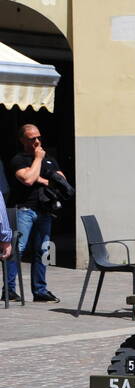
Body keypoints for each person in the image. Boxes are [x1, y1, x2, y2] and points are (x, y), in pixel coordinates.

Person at [6, 123, 66, 302]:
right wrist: (39, 161)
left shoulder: (50, 159)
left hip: (45, 211)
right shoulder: (19, 159)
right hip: (25, 210)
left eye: (39, 137)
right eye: (32, 139)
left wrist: (42, 176)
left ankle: (40, 290)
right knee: (18, 249)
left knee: (43, 250)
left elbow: (62, 181)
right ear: (23, 140)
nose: (37, 141)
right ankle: (8, 290)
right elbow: (28, 180)